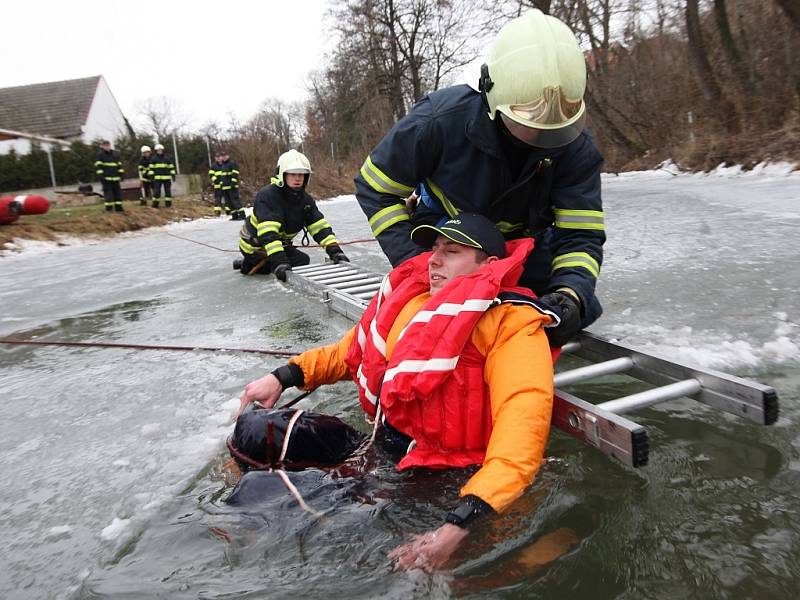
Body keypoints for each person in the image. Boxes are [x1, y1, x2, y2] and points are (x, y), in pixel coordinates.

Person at [235, 213, 556, 571]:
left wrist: (459, 523)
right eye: (434, 249)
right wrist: (283, 375)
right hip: (384, 449)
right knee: (252, 431)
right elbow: (349, 354)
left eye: (451, 252)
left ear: (489, 264)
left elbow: (521, 431)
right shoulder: (415, 303)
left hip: (443, 477)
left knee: (259, 494)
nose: (434, 260)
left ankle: (250, 551)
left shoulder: (513, 325)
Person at [354, 8, 605, 347]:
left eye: (553, 129)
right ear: (493, 95)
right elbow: (375, 188)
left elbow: (580, 235)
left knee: (559, 313)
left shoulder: (576, 148)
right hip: (446, 234)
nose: (540, 137)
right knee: (438, 317)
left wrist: (570, 293)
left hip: (524, 246)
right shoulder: (437, 123)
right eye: (528, 124)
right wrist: (416, 263)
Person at [237, 149, 349, 276]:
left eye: (301, 174)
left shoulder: (305, 200)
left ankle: (260, 263)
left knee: (302, 260)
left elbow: (319, 227)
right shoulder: (268, 196)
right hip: (255, 247)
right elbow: (268, 234)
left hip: (279, 244)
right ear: (282, 175)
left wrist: (335, 251)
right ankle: (249, 263)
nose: (297, 178)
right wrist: (279, 262)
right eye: (293, 174)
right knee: (283, 266)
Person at [94, 140, 125, 212]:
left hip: (115, 178)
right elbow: (99, 167)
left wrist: (121, 174)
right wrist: (101, 176)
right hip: (106, 179)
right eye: (105, 145)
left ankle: (118, 207)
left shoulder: (115, 154)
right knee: (108, 194)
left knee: (118, 193)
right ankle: (109, 208)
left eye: (108, 145)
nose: (107, 147)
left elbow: (119, 165)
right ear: (102, 146)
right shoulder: (100, 155)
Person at [218, 150, 245, 220]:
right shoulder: (223, 166)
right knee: (229, 202)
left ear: (228, 156)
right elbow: (222, 177)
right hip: (225, 187)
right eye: (222, 156)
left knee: (235, 201)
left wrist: (233, 183)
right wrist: (221, 185)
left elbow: (235, 173)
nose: (223, 158)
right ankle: (234, 215)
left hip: (232, 186)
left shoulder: (232, 164)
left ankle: (242, 215)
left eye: (224, 156)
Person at [147, 143, 176, 208]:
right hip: (157, 179)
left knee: (168, 192)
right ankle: (155, 204)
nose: (159, 151)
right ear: (156, 151)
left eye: (160, 150)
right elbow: (151, 169)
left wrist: (173, 175)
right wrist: (151, 177)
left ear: (163, 150)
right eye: (158, 150)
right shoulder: (153, 159)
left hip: (167, 178)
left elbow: (171, 167)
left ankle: (168, 204)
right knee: (156, 192)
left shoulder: (167, 159)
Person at [209, 151, 225, 217]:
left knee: (228, 198)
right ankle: (217, 211)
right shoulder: (213, 166)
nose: (218, 158)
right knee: (217, 199)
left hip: (225, 185)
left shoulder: (225, 165)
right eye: (217, 157)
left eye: (219, 157)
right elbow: (211, 175)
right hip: (217, 186)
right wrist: (216, 181)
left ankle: (229, 211)